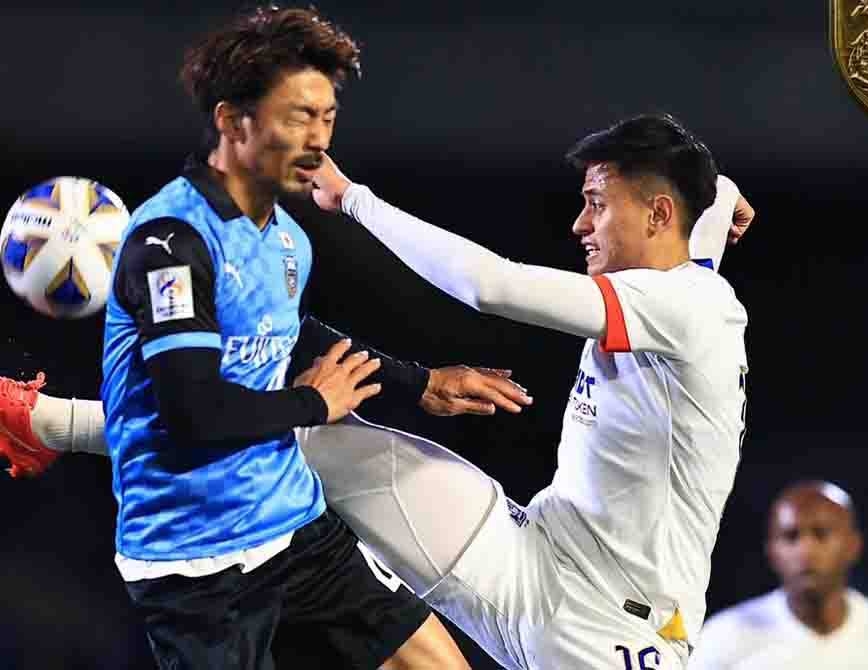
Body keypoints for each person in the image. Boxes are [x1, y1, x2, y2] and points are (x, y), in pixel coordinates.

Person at [2, 114, 752, 669]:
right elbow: (704, 218)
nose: (580, 221)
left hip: (612, 635)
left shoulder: (689, 308)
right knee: (308, 435)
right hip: (534, 548)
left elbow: (490, 286)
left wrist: (350, 199)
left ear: (657, 214)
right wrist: (719, 194)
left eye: (597, 201)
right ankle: (42, 421)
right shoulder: (685, 278)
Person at [3, 6, 535, 669]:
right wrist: (313, 405)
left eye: (327, 119)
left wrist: (418, 382)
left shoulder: (285, 238)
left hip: (295, 528)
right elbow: (192, 413)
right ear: (232, 121)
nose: (317, 141)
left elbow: (291, 333)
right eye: (296, 118)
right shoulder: (171, 243)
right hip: (196, 564)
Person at [688, 481, 868, 670]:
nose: (805, 550)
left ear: (852, 546)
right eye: (791, 537)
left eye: (821, 534)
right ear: (772, 551)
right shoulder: (721, 640)